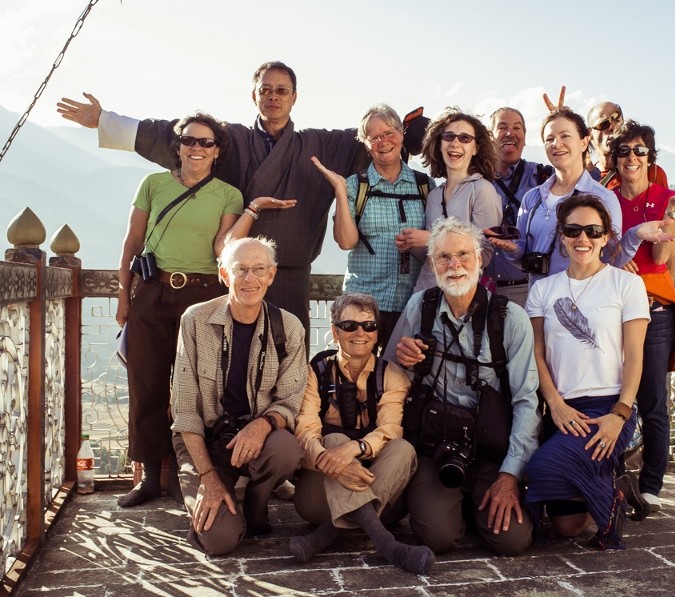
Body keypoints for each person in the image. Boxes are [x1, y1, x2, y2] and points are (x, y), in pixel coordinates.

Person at [56, 61, 426, 340]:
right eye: (266, 89)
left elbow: (381, 136)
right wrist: (105, 120)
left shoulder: (322, 144)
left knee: (288, 357)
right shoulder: (228, 139)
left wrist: (433, 136)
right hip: (237, 277)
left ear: (295, 97)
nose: (273, 96)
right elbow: (175, 133)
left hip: (291, 277)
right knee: (231, 360)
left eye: (282, 90)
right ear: (254, 95)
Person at [115, 112, 247, 508]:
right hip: (153, 292)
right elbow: (132, 242)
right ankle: (150, 478)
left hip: (204, 296)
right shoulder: (153, 184)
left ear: (217, 150)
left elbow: (221, 251)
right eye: (190, 140)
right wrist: (124, 296)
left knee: (203, 389)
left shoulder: (229, 195)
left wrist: (252, 211)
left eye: (206, 142)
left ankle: (193, 473)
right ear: (178, 145)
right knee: (147, 384)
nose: (196, 148)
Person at [387, 218, 540, 556]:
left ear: (480, 258)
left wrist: (510, 475)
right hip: (436, 443)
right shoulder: (420, 307)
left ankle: (473, 501)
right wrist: (405, 362)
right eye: (443, 257)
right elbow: (393, 380)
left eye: (463, 255)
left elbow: (527, 402)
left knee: (511, 541)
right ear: (431, 263)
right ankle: (451, 506)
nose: (454, 265)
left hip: (489, 448)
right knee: (438, 537)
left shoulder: (510, 318)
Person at [524, 193, 650, 550]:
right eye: (573, 229)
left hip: (610, 407)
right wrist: (555, 404)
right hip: (564, 411)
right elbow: (537, 353)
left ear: (607, 236)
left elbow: (635, 355)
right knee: (565, 528)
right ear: (561, 235)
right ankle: (610, 479)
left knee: (541, 468)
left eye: (593, 231)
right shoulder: (543, 290)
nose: (583, 238)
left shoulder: (626, 285)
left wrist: (620, 414)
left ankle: (609, 506)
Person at [170, 236, 306, 555]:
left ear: (271, 275)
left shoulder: (288, 327)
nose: (250, 279)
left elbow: (290, 401)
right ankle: (215, 498)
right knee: (218, 541)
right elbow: (186, 412)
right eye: (240, 269)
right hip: (203, 441)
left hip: (257, 438)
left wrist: (261, 425)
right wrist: (208, 476)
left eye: (259, 269)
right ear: (224, 275)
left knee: (287, 449)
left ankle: (257, 506)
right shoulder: (195, 321)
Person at [291, 292, 434, 575]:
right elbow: (306, 431)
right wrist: (332, 462)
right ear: (334, 332)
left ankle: (327, 534)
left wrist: (355, 449)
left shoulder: (392, 374)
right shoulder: (314, 373)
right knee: (332, 440)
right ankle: (386, 542)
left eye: (369, 326)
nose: (361, 332)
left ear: (377, 332)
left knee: (404, 449)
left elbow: (391, 429)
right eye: (350, 326)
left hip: (380, 486)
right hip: (320, 496)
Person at [610, 121, 675, 517]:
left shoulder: (668, 198)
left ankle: (651, 486)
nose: (632, 157)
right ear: (614, 158)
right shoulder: (606, 198)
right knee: (609, 395)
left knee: (652, 400)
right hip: (612, 309)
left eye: (640, 150)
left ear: (651, 156)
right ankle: (610, 477)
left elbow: (662, 258)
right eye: (625, 151)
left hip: (653, 309)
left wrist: (673, 212)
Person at [488, 108, 669, 289]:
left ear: (584, 142)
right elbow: (523, 255)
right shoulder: (532, 198)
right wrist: (512, 250)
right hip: (537, 304)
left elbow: (612, 258)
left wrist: (634, 235)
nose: (557, 144)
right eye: (550, 139)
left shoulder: (602, 197)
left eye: (565, 136)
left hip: (581, 304)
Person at [312, 105, 434, 352]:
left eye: (389, 133)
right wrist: (340, 191)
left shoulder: (425, 185)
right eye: (374, 137)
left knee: (400, 379)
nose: (383, 142)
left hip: (411, 303)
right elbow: (346, 242)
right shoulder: (355, 186)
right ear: (365, 143)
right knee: (357, 376)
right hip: (362, 304)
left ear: (401, 134)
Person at [396, 108, 502, 293]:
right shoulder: (434, 195)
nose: (455, 143)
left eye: (465, 138)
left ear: (476, 148)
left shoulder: (483, 190)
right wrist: (412, 243)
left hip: (461, 299)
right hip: (425, 294)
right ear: (439, 144)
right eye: (449, 136)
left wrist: (432, 238)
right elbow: (432, 256)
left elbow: (483, 255)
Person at [484, 107, 553, 307]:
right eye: (502, 127)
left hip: (526, 289)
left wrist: (562, 120)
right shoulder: (477, 180)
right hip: (480, 289)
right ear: (490, 136)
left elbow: (585, 179)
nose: (510, 133)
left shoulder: (543, 178)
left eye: (517, 128)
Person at [586, 102, 668, 190]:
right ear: (589, 134)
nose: (612, 127)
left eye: (617, 120)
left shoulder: (649, 172)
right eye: (604, 124)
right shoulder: (585, 179)